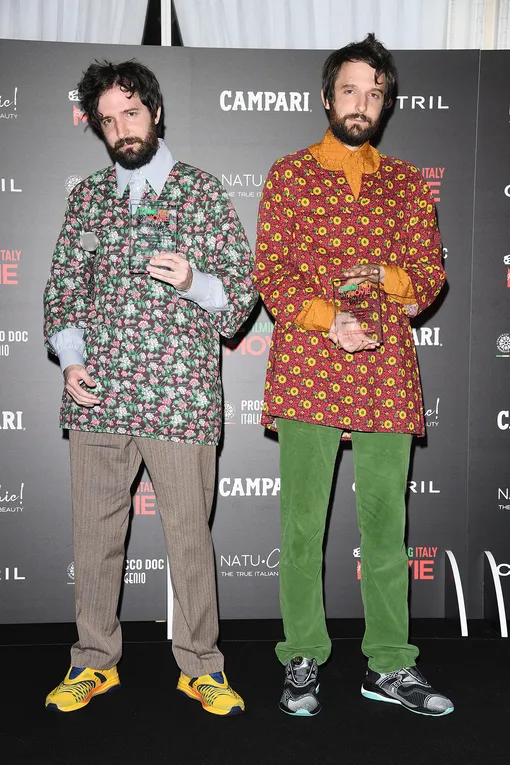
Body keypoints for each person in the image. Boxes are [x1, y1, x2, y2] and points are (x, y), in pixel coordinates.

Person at [43, 59, 257, 715]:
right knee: (95, 542)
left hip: (180, 397)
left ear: (156, 113)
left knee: (191, 540)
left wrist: (196, 281)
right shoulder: (86, 197)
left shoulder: (202, 191)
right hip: (99, 395)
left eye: (130, 113)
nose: (120, 128)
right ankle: (94, 662)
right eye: (107, 119)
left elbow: (242, 298)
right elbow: (63, 290)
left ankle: (200, 666)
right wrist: (71, 357)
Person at [253, 34, 453, 718]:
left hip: (386, 367)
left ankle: (391, 665)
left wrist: (386, 277)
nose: (362, 104)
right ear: (326, 95)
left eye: (375, 94)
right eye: (350, 90)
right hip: (309, 361)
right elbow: (271, 274)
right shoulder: (289, 174)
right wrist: (325, 317)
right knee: (303, 525)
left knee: (384, 526)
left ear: (385, 104)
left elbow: (428, 277)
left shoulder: (405, 183)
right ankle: (302, 657)